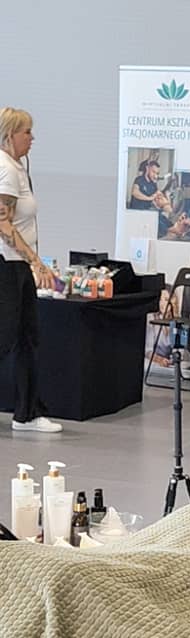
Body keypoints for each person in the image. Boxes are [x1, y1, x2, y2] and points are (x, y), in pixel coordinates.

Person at [0, 106, 62, 433]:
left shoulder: (18, 168)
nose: (32, 138)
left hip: (18, 265)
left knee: (27, 337)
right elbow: (2, 223)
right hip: (6, 266)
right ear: (10, 135)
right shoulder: (6, 169)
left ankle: (27, 413)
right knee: (6, 337)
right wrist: (36, 261)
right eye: (27, 132)